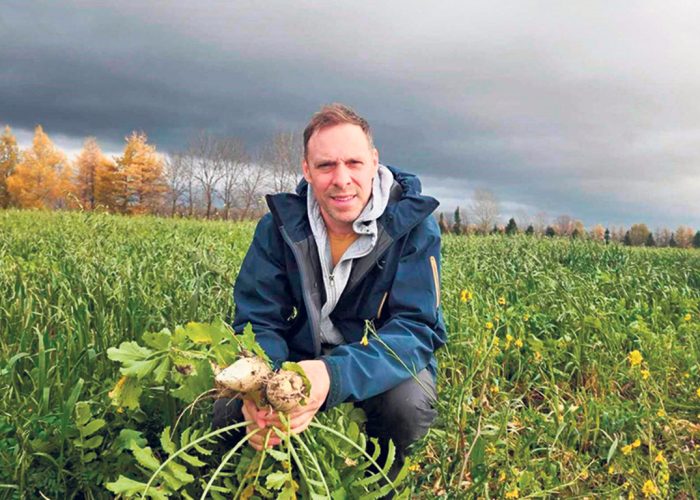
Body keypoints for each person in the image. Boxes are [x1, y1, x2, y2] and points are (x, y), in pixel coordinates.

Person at [214, 103, 446, 478]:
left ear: (374, 162)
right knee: (228, 408)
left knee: (407, 405)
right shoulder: (277, 227)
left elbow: (416, 330)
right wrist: (264, 386)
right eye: (325, 166)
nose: (341, 179)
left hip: (374, 357)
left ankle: (375, 478)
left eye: (353, 163)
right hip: (298, 353)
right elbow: (258, 319)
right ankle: (258, 473)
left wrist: (332, 376)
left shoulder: (414, 228)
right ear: (307, 170)